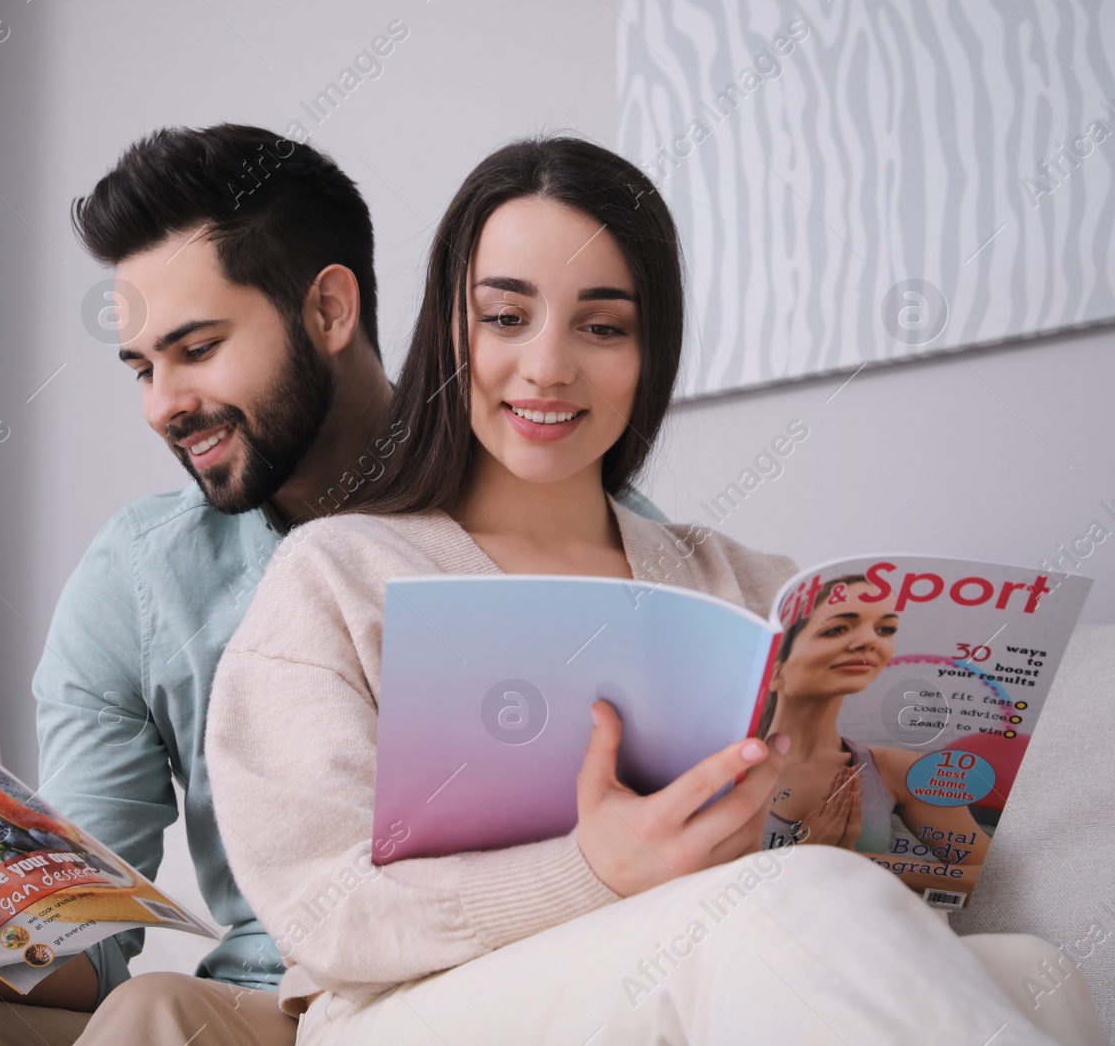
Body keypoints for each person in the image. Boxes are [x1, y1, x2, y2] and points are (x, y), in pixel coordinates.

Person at [0, 125, 669, 1046]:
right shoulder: (140, 576)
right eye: (144, 367)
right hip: (249, 1004)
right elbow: (81, 948)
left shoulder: (559, 513)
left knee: (158, 1014)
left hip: (451, 995)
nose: (162, 404)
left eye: (196, 349)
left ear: (328, 310)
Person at [204, 135, 1104, 1045]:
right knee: (786, 903)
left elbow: (887, 891)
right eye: (506, 317)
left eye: (603, 326)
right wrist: (592, 868)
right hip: (411, 1007)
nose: (549, 366)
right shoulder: (339, 574)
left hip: (713, 949)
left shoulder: (748, 584)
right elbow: (323, 906)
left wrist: (852, 822)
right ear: (450, 330)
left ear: (650, 351)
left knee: (1034, 971)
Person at [758, 575, 994, 874]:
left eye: (885, 629)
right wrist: (803, 861)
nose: (871, 640)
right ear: (775, 668)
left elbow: (987, 875)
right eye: (837, 629)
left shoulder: (901, 771)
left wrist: (857, 864)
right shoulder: (726, 766)